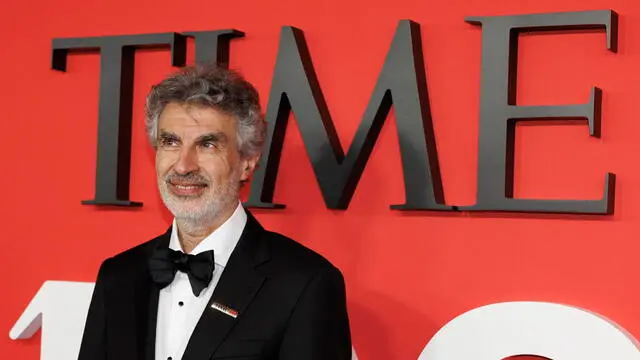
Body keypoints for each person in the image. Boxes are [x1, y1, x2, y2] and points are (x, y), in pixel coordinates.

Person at [77, 64, 352, 360]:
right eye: (170, 142)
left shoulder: (305, 283)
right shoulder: (118, 276)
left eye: (207, 144)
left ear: (247, 161)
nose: (183, 165)